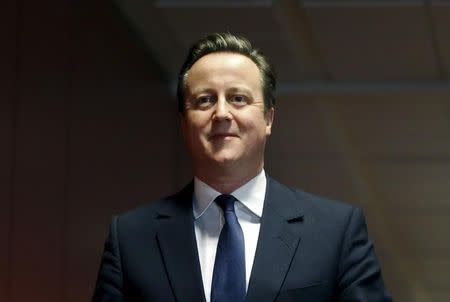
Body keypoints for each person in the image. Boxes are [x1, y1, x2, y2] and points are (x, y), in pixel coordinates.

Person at [92, 32, 393, 302]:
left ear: (268, 119)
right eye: (205, 100)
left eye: (238, 98)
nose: (221, 113)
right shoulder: (131, 239)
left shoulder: (335, 232)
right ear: (184, 123)